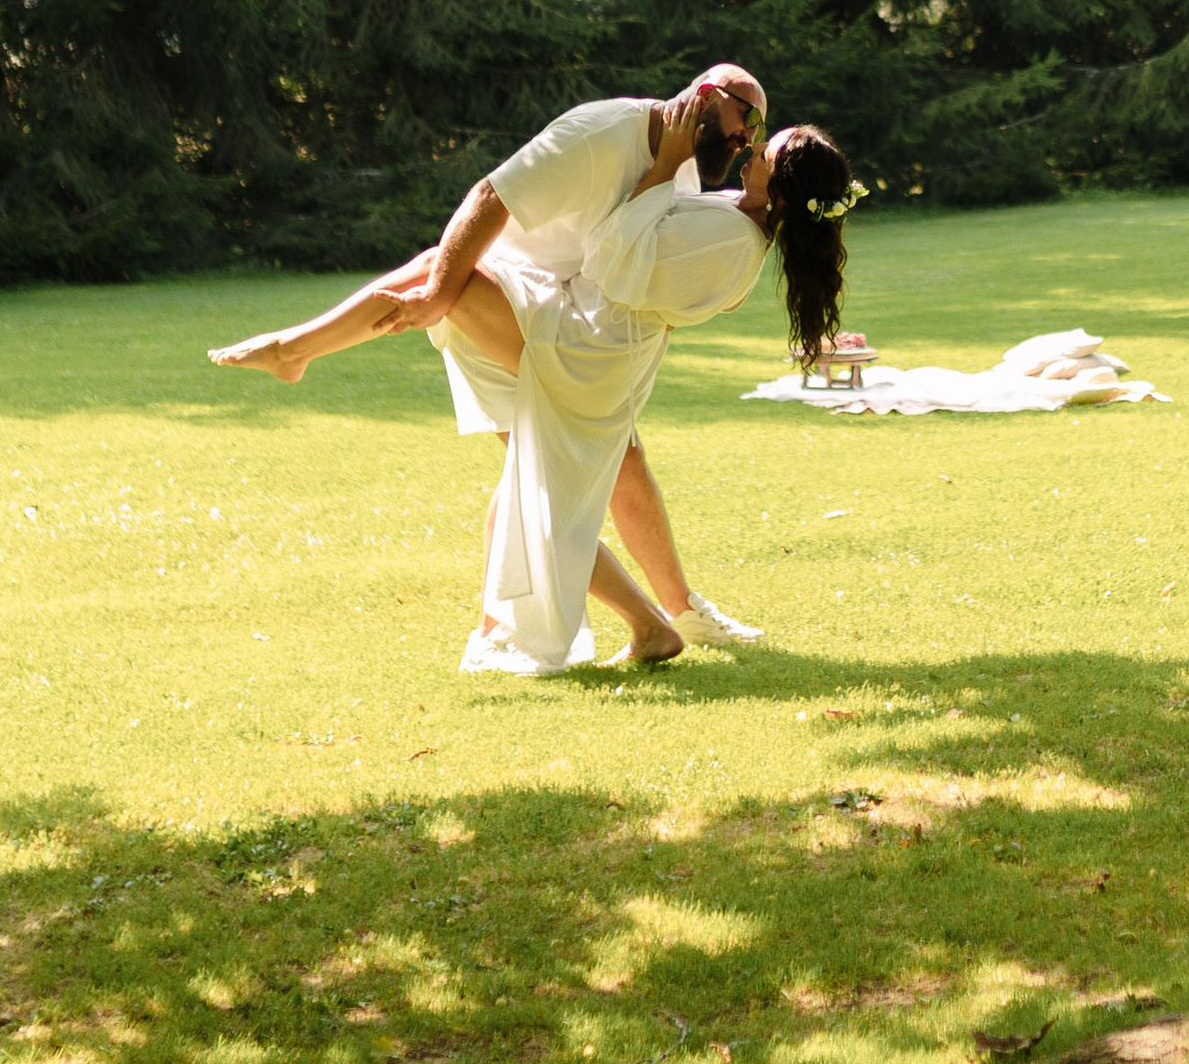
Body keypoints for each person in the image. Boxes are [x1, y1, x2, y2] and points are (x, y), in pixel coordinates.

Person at [211, 83, 859, 674]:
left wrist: (662, 169)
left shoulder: (731, 239)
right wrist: (667, 165)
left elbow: (613, 260)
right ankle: (535, 627)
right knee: (510, 463)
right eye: (752, 134)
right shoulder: (732, 220)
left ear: (779, 188)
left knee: (446, 278)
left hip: (585, 347)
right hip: (589, 334)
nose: (751, 151)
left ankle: (296, 350)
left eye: (764, 152)